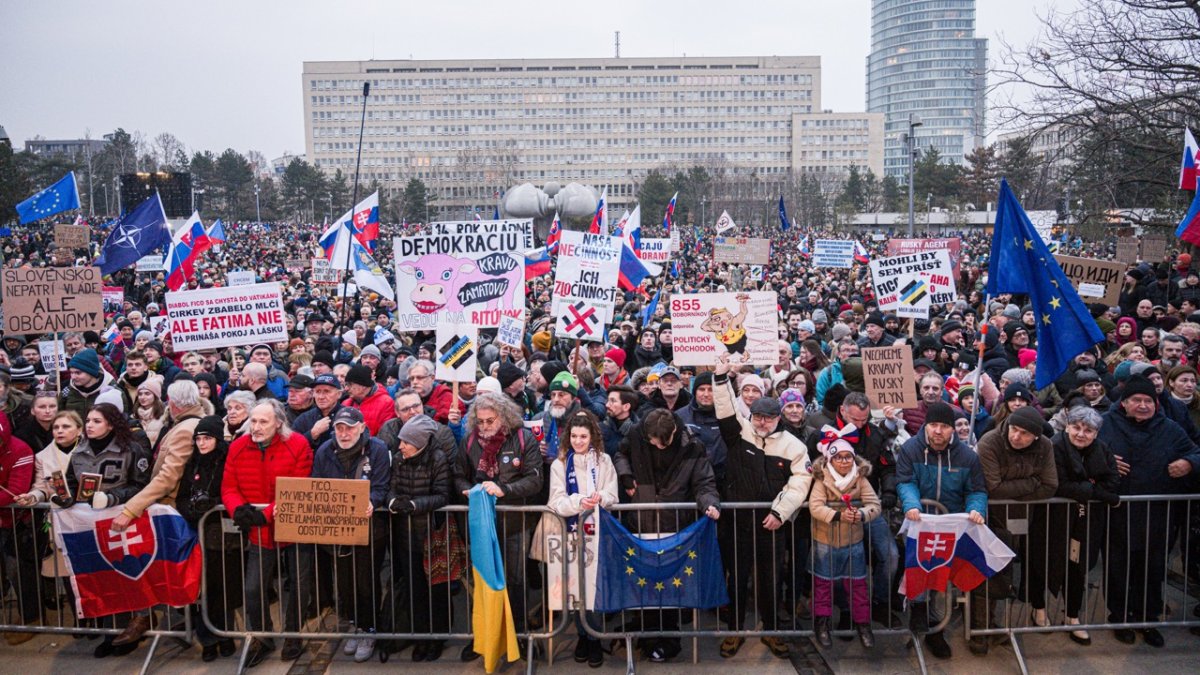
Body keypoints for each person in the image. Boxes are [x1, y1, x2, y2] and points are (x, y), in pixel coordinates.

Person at [712, 360, 810, 659]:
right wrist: (719, 377)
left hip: (772, 525)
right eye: (757, 417)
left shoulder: (794, 446)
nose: (762, 422)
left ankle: (771, 631)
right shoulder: (738, 433)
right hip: (738, 523)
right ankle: (735, 632)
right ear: (750, 415)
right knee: (737, 580)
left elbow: (800, 483)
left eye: (768, 418)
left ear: (778, 418)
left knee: (771, 582)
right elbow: (725, 405)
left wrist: (780, 513)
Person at [1097, 375, 1200, 647]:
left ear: (1156, 403)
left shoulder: (1170, 428)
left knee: (1153, 569)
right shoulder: (1105, 425)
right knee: (1119, 568)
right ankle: (1119, 617)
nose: (1143, 406)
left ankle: (1148, 619)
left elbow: (1196, 451)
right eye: (1136, 400)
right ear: (1124, 403)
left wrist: (1189, 463)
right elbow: (1079, 453)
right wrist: (1103, 462)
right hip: (1119, 513)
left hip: (1158, 514)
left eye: (1148, 401)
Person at [107, 380, 208, 647]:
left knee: (175, 570)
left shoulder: (186, 429)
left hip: (172, 509)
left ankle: (188, 621)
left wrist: (132, 507)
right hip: (168, 507)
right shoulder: (185, 425)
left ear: (173, 404)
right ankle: (185, 620)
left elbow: (167, 476)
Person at [614, 408, 720, 662]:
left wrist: (709, 502)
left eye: (665, 442)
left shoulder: (692, 446)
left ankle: (670, 640)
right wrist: (626, 477)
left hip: (676, 526)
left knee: (672, 588)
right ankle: (648, 635)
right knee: (644, 585)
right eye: (654, 443)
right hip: (642, 522)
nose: (660, 448)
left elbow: (704, 482)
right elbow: (620, 454)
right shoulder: (636, 436)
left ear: (674, 430)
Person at [222, 400, 315, 667]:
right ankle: (263, 637)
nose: (256, 427)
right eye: (253, 421)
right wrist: (237, 509)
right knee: (253, 588)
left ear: (278, 422)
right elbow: (228, 485)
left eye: (263, 422)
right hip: (260, 532)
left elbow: (299, 486)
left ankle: (293, 635)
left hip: (294, 527)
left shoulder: (297, 444)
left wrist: (263, 513)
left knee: (299, 584)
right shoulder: (238, 447)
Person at [453, 393, 542, 662]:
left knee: (515, 583)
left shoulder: (524, 439)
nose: (484, 426)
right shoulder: (469, 441)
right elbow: (458, 474)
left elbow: (535, 480)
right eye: (479, 422)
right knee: (482, 584)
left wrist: (505, 490)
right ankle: (484, 637)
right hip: (482, 525)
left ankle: (519, 635)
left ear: (503, 416)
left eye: (489, 421)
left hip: (515, 522)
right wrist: (466, 490)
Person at [895, 402, 987, 660]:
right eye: (934, 425)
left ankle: (936, 630)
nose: (938, 431)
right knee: (917, 570)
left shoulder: (968, 456)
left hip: (949, 527)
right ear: (926, 425)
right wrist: (912, 504)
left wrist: (976, 508)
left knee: (941, 578)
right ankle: (917, 611)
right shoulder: (910, 449)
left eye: (944, 426)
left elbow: (976, 489)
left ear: (952, 430)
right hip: (919, 523)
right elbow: (905, 481)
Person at [58, 404, 151, 658]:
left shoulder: (131, 449)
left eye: (96, 421)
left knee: (125, 573)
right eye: (87, 420)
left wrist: (111, 497)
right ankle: (111, 632)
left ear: (110, 424)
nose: (88, 425)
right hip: (91, 523)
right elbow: (73, 482)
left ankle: (132, 630)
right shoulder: (80, 450)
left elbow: (141, 485)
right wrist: (66, 498)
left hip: (123, 520)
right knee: (103, 576)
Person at [973, 406, 1058, 655]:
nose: (1016, 436)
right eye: (1014, 429)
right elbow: (993, 488)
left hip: (1019, 518)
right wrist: (1032, 483)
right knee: (984, 571)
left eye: (1023, 433)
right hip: (987, 516)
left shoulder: (1044, 446)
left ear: (1035, 437)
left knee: (1005, 572)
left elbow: (1050, 486)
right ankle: (980, 630)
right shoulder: (990, 442)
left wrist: (1016, 490)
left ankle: (992, 625)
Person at [1035, 406, 1120, 646]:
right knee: (1043, 563)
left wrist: (1088, 488)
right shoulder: (1054, 446)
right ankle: (1039, 608)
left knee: (1077, 567)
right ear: (1067, 426)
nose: (1081, 434)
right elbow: (1057, 484)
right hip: (1052, 518)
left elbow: (1113, 480)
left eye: (1088, 430)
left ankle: (1072, 616)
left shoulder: (1102, 450)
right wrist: (1095, 489)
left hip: (1085, 521)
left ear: (1096, 433)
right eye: (1076, 427)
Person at [312, 408, 391, 663]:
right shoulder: (325, 451)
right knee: (345, 582)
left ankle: (369, 628)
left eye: (349, 427)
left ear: (361, 427)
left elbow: (382, 485)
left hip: (370, 529)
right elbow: (317, 484)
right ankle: (356, 624)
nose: (344, 433)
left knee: (366, 581)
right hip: (338, 528)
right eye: (339, 428)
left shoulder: (377, 449)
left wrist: (373, 501)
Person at [544, 410, 617, 668]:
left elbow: (612, 495)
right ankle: (582, 636)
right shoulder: (560, 464)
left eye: (583, 436)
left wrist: (601, 499)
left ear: (592, 437)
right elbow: (556, 500)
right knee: (575, 589)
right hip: (570, 533)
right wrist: (578, 502)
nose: (578, 441)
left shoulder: (604, 461)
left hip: (598, 534)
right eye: (574, 436)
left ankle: (595, 637)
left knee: (594, 587)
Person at [382, 413, 451, 661]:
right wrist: (392, 502)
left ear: (420, 442)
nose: (400, 447)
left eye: (406, 442)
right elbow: (391, 487)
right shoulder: (399, 460)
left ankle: (438, 637)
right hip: (404, 536)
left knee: (436, 590)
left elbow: (443, 495)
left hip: (430, 535)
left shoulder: (437, 459)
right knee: (414, 590)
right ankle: (420, 636)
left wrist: (413, 504)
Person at [808, 427, 881, 649]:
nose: (844, 461)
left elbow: (874, 505)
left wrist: (860, 514)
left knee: (858, 584)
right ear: (830, 458)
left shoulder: (860, 478)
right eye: (838, 457)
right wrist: (839, 515)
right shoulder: (822, 479)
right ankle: (822, 624)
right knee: (823, 585)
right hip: (826, 541)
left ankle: (863, 624)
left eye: (848, 456)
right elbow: (815, 506)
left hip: (853, 541)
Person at [173, 415, 239, 662]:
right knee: (202, 589)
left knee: (224, 588)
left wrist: (215, 505)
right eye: (198, 438)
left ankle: (225, 635)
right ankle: (207, 638)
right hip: (197, 534)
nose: (202, 443)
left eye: (207, 438)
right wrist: (192, 509)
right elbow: (181, 498)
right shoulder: (193, 464)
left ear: (217, 439)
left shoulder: (227, 461)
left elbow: (234, 491)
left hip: (223, 536)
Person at [343, 364, 397, 435]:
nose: (346, 388)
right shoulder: (346, 403)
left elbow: (385, 436)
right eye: (345, 384)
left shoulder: (386, 403)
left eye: (350, 384)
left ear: (364, 386)